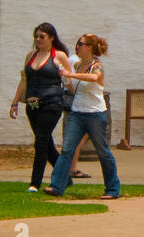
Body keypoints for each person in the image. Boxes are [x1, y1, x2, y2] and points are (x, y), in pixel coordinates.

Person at [45, 34, 120, 199]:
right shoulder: (77, 65)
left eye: (81, 44)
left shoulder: (97, 66)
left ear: (90, 48)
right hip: (77, 113)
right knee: (66, 149)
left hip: (95, 114)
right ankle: (57, 186)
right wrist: (65, 80)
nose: (77, 47)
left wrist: (70, 75)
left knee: (103, 151)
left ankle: (113, 189)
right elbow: (75, 90)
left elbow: (94, 78)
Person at [8, 23, 71, 192]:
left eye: (42, 36)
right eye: (36, 36)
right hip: (33, 103)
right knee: (46, 141)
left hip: (52, 102)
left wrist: (64, 76)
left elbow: (68, 82)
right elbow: (24, 80)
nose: (38, 39)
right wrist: (15, 102)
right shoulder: (30, 56)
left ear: (51, 38)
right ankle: (64, 175)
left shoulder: (59, 56)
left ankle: (35, 183)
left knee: (41, 141)